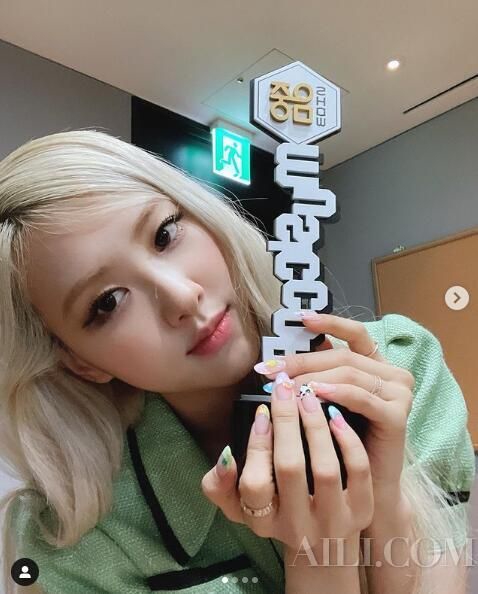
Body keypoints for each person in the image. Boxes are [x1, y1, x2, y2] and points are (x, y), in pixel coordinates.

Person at [0, 129, 474, 594]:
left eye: (165, 234)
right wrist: (318, 556)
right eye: (108, 302)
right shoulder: (74, 537)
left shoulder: (399, 364)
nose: (182, 296)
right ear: (79, 362)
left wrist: (385, 499)